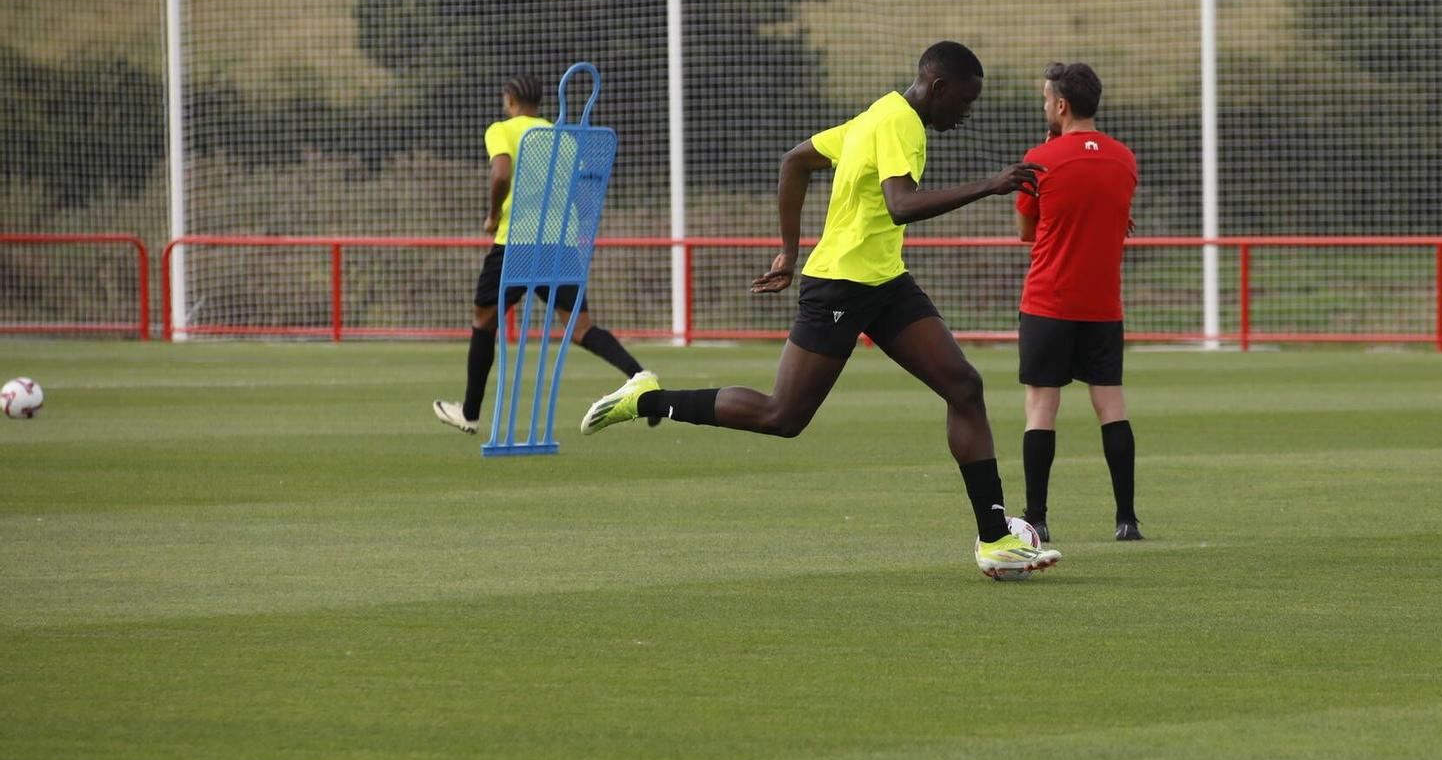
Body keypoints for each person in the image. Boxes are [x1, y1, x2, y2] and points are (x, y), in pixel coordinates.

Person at [580, 41, 1062, 581]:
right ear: (939, 87)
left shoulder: (876, 116)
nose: (966, 113)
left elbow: (797, 161)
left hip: (883, 282)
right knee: (781, 416)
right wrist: (991, 185)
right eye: (965, 102)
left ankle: (995, 537)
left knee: (963, 387)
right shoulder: (897, 121)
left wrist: (789, 247)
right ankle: (650, 398)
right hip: (840, 287)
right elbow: (900, 204)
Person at [433, 73, 646, 434]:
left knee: (484, 320)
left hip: (515, 242)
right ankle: (641, 378)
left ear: (510, 99)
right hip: (558, 243)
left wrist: (493, 214)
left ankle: (469, 413)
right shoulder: (562, 136)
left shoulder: (503, 129)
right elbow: (581, 191)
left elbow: (500, 173)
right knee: (580, 328)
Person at [1013, 61, 1143, 543]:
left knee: (1041, 407)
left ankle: (1037, 519)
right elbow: (1113, 216)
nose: (1045, 105)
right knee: (1111, 404)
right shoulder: (1125, 158)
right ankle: (1126, 519)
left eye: (1047, 99)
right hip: (1103, 306)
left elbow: (1027, 232)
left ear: (1062, 105)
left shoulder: (1040, 158)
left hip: (1049, 300)